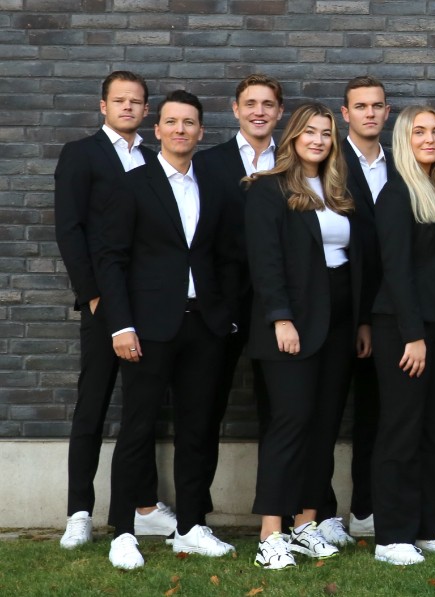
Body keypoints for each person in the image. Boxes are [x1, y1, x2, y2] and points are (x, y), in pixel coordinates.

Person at [92, 90, 239, 569]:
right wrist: (121, 325)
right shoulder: (132, 184)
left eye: (189, 122)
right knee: (137, 427)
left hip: (205, 326)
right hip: (148, 328)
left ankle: (191, 528)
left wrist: (227, 315)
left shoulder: (215, 185)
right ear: (157, 130)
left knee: (198, 429)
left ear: (200, 132)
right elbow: (111, 260)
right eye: (172, 122)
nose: (180, 130)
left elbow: (227, 255)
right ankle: (123, 531)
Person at [243, 102, 375, 569]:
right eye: (310, 132)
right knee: (291, 422)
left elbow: (357, 259)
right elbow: (265, 262)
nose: (318, 140)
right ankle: (270, 535)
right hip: (292, 322)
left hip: (339, 321)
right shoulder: (268, 189)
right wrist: (281, 319)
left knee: (323, 425)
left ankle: (305, 525)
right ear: (294, 137)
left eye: (325, 133)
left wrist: (361, 321)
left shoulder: (340, 189)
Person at [54, 70, 177, 549]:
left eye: (136, 101)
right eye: (119, 100)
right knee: (93, 404)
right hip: (104, 303)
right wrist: (92, 295)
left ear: (147, 110)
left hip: (146, 304)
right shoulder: (81, 154)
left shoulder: (152, 158)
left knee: (142, 410)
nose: (128, 107)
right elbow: (70, 228)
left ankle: (142, 506)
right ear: (103, 106)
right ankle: (79, 512)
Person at [369, 105, 435, 566]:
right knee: (402, 431)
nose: (429, 139)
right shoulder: (396, 194)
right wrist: (413, 335)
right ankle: (392, 536)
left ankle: (425, 528)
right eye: (419, 132)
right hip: (403, 329)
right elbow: (396, 270)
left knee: (434, 430)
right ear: (404, 141)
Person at [193, 73, 288, 539]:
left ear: (279, 112)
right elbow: (198, 237)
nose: (259, 111)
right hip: (223, 306)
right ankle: (194, 518)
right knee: (205, 408)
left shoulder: (292, 162)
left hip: (279, 306)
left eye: (268, 104)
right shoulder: (209, 164)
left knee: (283, 410)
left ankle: (282, 515)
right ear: (235, 109)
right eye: (250, 103)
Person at [338, 75, 395, 539]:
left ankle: (366, 508)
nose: (370, 113)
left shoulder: (399, 164)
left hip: (390, 309)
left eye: (377, 106)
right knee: (327, 411)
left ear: (387, 112)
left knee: (377, 412)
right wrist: (360, 317)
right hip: (343, 307)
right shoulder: (331, 162)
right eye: (361, 106)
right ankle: (317, 511)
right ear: (346, 114)